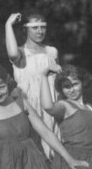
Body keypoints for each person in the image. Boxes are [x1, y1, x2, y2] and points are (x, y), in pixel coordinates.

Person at [5, 11, 61, 157]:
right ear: (26, 29)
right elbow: (11, 53)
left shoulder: (52, 51)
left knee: (53, 145)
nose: (40, 31)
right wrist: (8, 25)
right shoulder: (20, 52)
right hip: (29, 104)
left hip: (49, 102)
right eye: (35, 27)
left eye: (43, 27)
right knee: (33, 147)